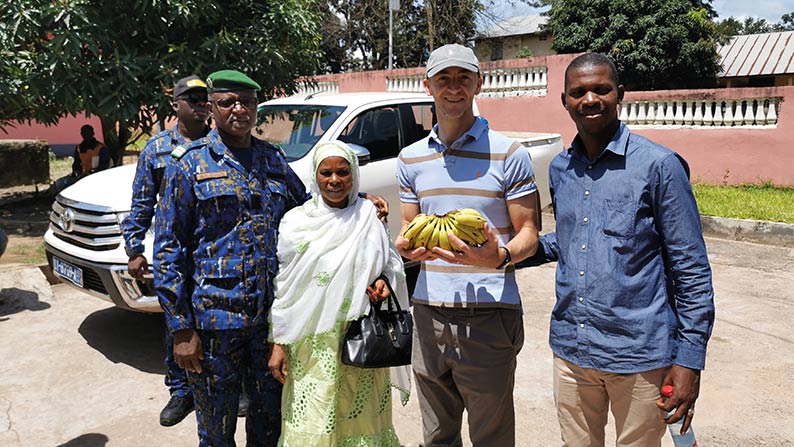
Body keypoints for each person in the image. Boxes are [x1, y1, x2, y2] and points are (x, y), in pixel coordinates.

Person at [154, 69, 388, 446]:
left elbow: (313, 210)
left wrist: (360, 203)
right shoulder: (188, 165)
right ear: (211, 107)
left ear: (256, 107)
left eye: (246, 102)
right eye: (227, 101)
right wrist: (181, 329)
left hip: (269, 325)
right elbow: (168, 249)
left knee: (269, 426)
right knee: (216, 431)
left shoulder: (272, 160)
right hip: (215, 324)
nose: (238, 109)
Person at [523, 53, 715, 446]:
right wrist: (510, 253)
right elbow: (573, 239)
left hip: (640, 355)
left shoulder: (659, 166)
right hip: (572, 352)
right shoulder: (561, 169)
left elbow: (691, 269)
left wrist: (689, 360)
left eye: (601, 89)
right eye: (578, 92)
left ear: (620, 94)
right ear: (565, 101)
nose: (590, 99)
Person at [395, 44, 540, 447]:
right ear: (428, 86)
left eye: (463, 78)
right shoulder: (411, 159)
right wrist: (406, 248)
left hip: (489, 311)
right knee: (437, 434)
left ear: (480, 83)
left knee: (491, 435)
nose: (453, 88)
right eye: (444, 79)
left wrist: (502, 256)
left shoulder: (509, 153)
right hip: (427, 310)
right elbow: (411, 227)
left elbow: (528, 232)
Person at [268, 141, 410, 447]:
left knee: (361, 421)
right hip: (311, 345)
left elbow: (391, 264)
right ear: (315, 177)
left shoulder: (369, 216)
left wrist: (384, 281)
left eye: (343, 172)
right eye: (326, 172)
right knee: (314, 418)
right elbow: (285, 287)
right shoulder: (296, 223)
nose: (335, 180)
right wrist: (279, 342)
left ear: (354, 175)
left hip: (361, 341)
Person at [122, 74, 213, 427]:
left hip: (214, 253)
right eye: (191, 98)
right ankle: (180, 391)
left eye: (204, 98)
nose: (200, 103)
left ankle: (231, 388)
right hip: (173, 253)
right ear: (175, 105)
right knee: (176, 323)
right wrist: (134, 249)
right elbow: (142, 202)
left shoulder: (221, 143)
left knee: (219, 323)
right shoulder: (156, 148)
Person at [51, 125, 112, 194]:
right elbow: (76, 163)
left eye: (88, 133)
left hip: (98, 177)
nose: (86, 136)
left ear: (93, 134)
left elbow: (104, 166)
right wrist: (76, 172)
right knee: (60, 183)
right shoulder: (79, 148)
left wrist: (90, 174)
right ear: (81, 134)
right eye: (84, 134)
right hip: (82, 176)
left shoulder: (101, 148)